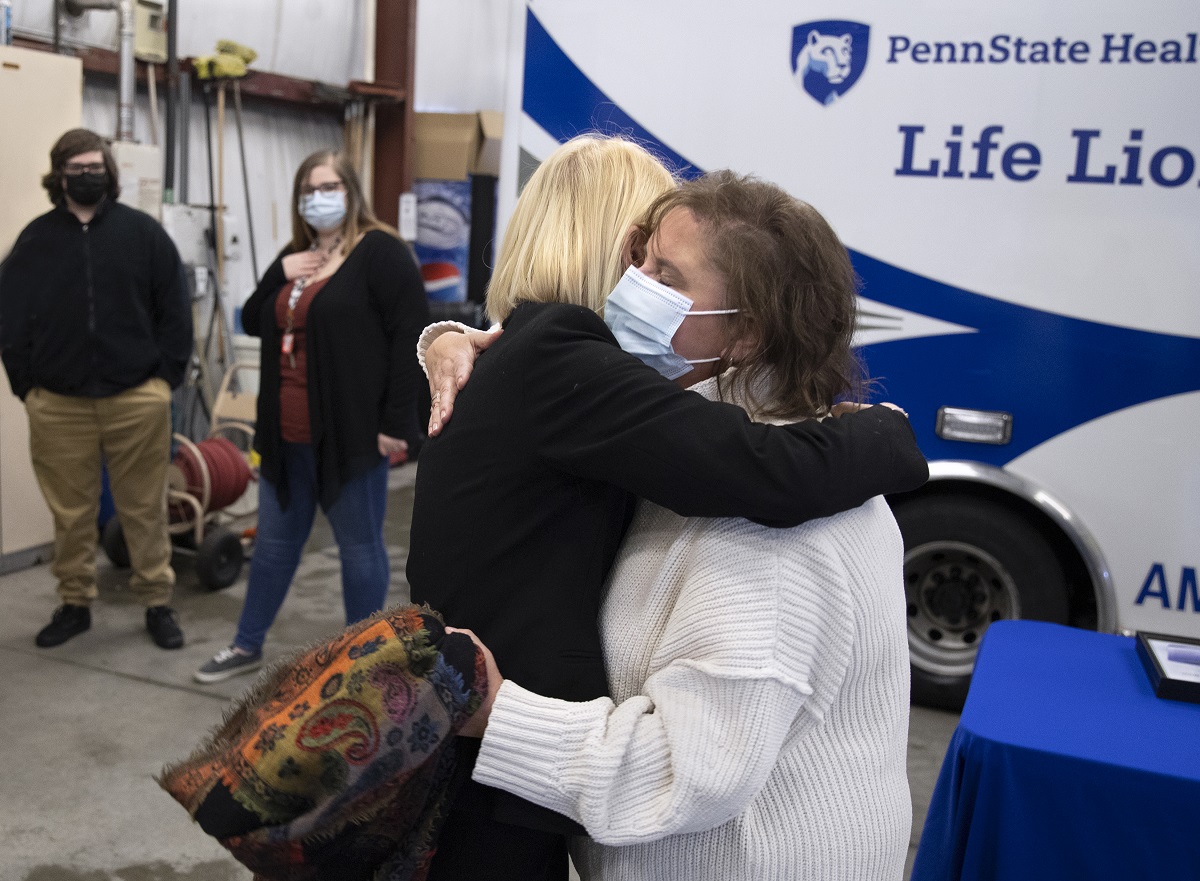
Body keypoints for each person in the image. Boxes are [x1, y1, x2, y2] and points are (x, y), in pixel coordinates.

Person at [404, 135, 927, 881]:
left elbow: (765, 471)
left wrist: (891, 433)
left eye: (662, 271)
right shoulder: (576, 373)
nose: (635, 284)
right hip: (496, 793)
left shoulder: (763, 527)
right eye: (638, 256)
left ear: (746, 332)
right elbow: (758, 463)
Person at [194, 150, 430, 683]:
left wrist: (398, 424)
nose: (318, 198)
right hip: (285, 432)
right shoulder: (295, 254)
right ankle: (245, 645)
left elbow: (408, 340)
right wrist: (279, 274)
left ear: (350, 192)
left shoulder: (381, 252)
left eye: (328, 186)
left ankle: (362, 662)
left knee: (360, 546)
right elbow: (255, 318)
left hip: (349, 433)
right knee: (275, 542)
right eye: (308, 190)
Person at [0, 128, 192, 650]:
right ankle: (74, 602)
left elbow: (175, 310)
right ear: (59, 175)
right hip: (58, 405)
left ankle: (156, 601)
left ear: (109, 172)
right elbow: (10, 317)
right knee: (70, 512)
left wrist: (164, 380)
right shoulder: (36, 240)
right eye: (77, 167)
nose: (88, 175)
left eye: (95, 166)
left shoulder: (144, 235)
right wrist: (28, 387)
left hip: (136, 399)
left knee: (144, 506)